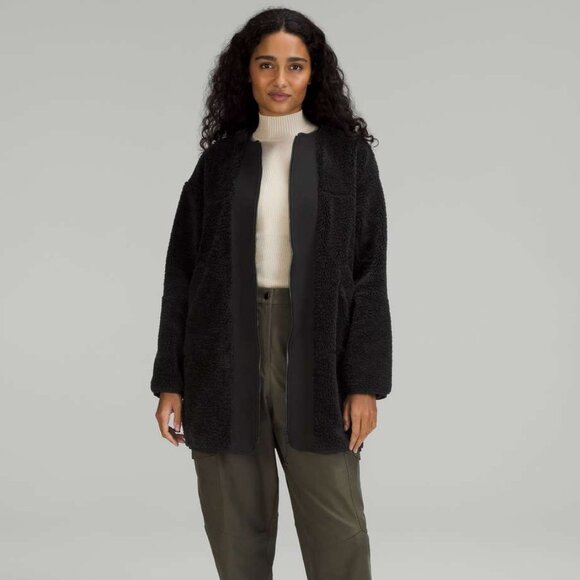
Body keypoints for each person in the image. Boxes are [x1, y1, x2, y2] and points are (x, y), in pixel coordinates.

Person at [150, 8, 392, 579]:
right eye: (266, 65)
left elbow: (369, 272)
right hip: (221, 350)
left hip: (317, 351)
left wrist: (364, 383)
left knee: (336, 526)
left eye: (294, 65)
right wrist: (171, 380)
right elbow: (181, 273)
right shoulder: (218, 163)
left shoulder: (348, 159)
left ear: (313, 74)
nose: (280, 79)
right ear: (247, 72)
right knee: (235, 527)